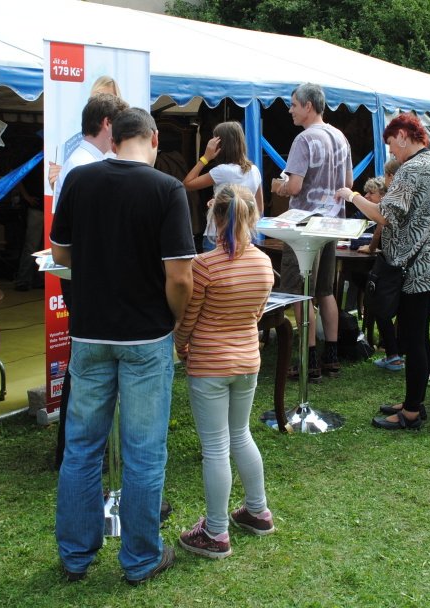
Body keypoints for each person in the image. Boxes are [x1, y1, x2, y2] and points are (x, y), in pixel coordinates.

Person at [51, 108, 195, 584]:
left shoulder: (79, 180)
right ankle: (139, 559)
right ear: (154, 139)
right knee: (144, 450)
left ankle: (75, 555)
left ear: (113, 139)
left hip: (89, 333)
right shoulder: (166, 189)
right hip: (145, 337)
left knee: (82, 448)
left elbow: (60, 255)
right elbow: (179, 277)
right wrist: (172, 318)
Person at [175, 185, 276, 559]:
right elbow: (258, 312)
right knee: (241, 434)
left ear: (216, 217)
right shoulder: (264, 263)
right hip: (247, 360)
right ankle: (257, 510)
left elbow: (189, 318)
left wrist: (181, 345)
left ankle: (215, 532)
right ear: (250, 216)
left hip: (209, 363)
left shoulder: (204, 266)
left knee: (215, 447)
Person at [337, 113, 430, 430]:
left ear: (403, 135)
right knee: (419, 337)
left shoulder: (412, 168)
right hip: (429, 262)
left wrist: (353, 196)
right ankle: (414, 400)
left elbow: (385, 215)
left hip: (414, 267)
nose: (392, 153)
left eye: (391, 146)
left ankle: (412, 412)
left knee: (412, 338)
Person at [53, 93, 129, 469]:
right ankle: (76, 449)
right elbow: (64, 237)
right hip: (84, 278)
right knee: (82, 367)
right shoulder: (82, 166)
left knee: (82, 364)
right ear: (107, 125)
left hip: (85, 276)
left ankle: (78, 449)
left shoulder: (84, 163)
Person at [272, 83, 353, 382]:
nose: (290, 110)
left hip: (305, 226)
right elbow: (348, 183)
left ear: (308, 106)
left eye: (293, 104)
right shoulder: (340, 137)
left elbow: (293, 187)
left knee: (300, 292)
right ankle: (331, 357)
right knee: (325, 291)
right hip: (332, 223)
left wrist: (278, 185)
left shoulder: (304, 139)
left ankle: (309, 359)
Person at [183, 121, 264, 252]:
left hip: (217, 235)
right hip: (244, 235)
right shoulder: (254, 170)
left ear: (220, 146)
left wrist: (205, 157)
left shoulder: (222, 171)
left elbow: (187, 184)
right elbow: (259, 208)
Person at [361, 176, 405, 372]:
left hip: (391, 265)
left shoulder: (386, 209)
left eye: (371, 193)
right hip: (400, 263)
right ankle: (396, 351)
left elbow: (379, 230)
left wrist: (370, 248)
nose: (367, 196)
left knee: (381, 305)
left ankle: (393, 355)